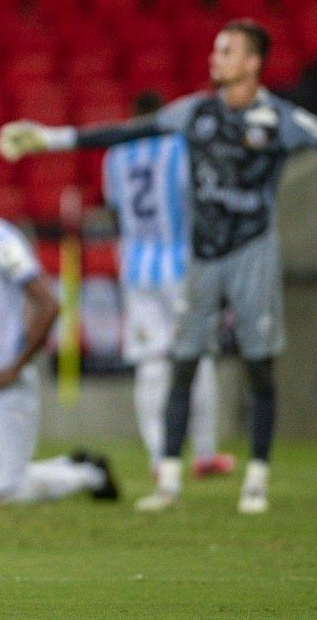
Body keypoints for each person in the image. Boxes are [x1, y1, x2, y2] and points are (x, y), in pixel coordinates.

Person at [0, 19, 317, 514]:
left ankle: (257, 479)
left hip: (254, 255)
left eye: (226, 51)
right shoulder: (195, 113)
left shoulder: (280, 119)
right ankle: (168, 481)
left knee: (258, 366)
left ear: (252, 62)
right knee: (183, 364)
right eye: (215, 49)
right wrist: (49, 139)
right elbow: (127, 131)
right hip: (201, 259)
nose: (214, 58)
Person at [0, 166, 118, 505]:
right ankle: (69, 463)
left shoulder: (4, 244)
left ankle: (89, 474)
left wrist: (16, 366)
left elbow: (49, 304)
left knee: (6, 492)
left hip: (7, 386)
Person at [102, 92, 233, 476]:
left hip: (137, 269)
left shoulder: (115, 156)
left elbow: (114, 211)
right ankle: (205, 453)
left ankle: (159, 456)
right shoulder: (178, 147)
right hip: (181, 265)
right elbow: (200, 202)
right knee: (196, 354)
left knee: (151, 361)